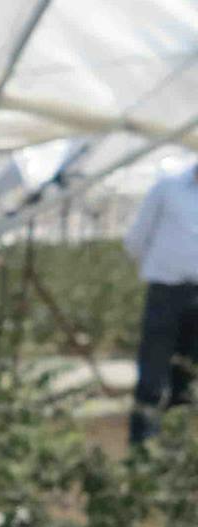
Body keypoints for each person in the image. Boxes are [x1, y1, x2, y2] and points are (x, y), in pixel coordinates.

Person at [122, 160, 198, 445]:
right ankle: (142, 446)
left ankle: (172, 448)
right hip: (165, 292)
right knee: (152, 375)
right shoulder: (168, 189)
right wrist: (159, 269)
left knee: (186, 376)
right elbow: (137, 238)